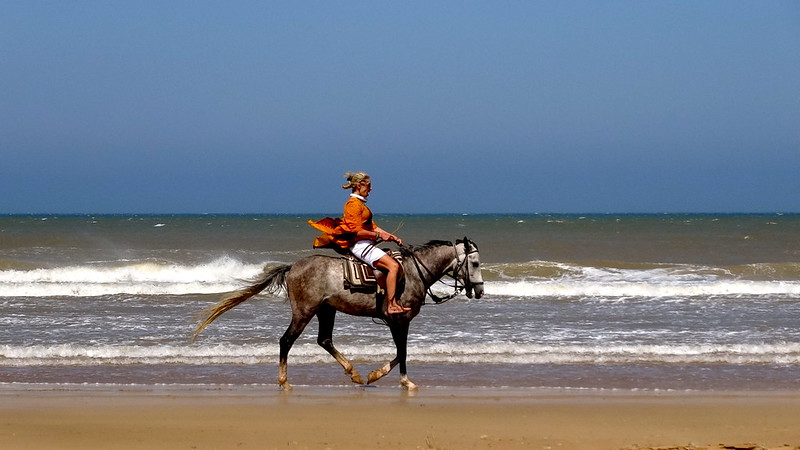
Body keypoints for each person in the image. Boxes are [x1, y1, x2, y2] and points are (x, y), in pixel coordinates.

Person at [309, 172, 410, 315]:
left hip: (367, 244)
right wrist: (379, 235)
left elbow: (372, 227)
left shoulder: (360, 205)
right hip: (360, 246)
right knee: (393, 266)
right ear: (359, 186)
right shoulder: (353, 205)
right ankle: (391, 305)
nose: (371, 189)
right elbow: (357, 232)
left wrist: (391, 236)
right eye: (368, 186)